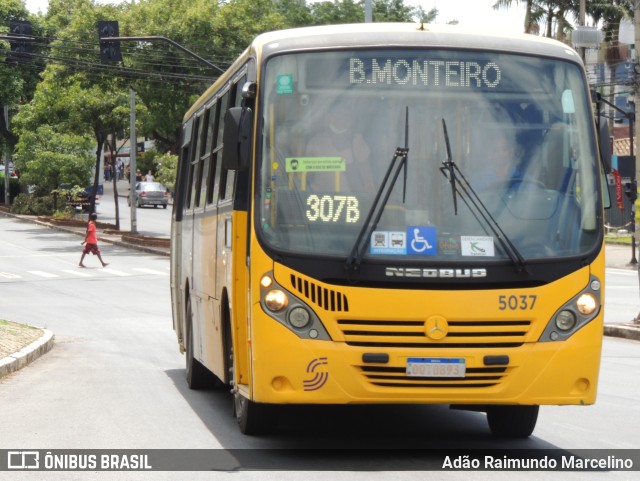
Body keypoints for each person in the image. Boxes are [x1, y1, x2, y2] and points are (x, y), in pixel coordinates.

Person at [305, 103, 373, 192]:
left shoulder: (356, 141)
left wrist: (369, 198)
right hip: (320, 199)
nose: (341, 119)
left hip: (350, 200)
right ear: (328, 118)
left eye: (345, 115)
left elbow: (366, 176)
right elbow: (306, 175)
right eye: (337, 115)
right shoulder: (316, 142)